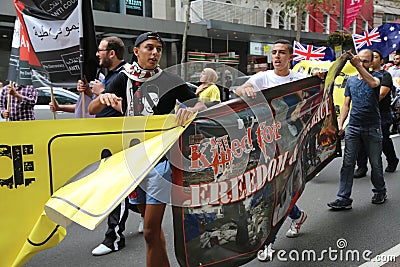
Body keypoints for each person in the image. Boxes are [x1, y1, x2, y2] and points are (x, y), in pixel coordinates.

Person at [88, 31, 206, 266]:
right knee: (152, 234)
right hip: (133, 161)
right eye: (149, 48)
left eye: (158, 49)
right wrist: (103, 99)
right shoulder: (124, 78)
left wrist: (191, 110)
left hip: (161, 161)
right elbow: (92, 109)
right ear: (136, 51)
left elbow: (200, 104)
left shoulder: (170, 80)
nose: (154, 53)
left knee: (151, 231)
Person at [235, 39, 307, 241]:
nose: (276, 56)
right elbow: (239, 90)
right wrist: (246, 90)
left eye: (282, 52)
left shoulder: (299, 78)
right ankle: (296, 216)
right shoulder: (262, 77)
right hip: (264, 141)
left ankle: (268, 240)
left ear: (290, 57)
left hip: (289, 140)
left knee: (276, 189)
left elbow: (315, 93)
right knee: (268, 189)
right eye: (274, 52)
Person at [327, 49, 387, 210]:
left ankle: (380, 191)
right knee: (347, 164)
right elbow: (346, 104)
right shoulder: (351, 81)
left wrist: (358, 66)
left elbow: (374, 84)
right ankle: (343, 197)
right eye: (359, 60)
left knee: (376, 163)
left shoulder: (378, 77)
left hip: (372, 127)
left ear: (372, 63)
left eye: (365, 61)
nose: (361, 63)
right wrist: (341, 124)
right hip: (353, 127)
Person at [354, 50, 399, 178]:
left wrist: (363, 101)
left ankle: (392, 159)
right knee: (361, 140)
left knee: (383, 139)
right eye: (370, 57)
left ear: (381, 61)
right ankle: (361, 166)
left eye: (375, 57)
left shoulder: (385, 76)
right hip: (364, 114)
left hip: (381, 114)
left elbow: (381, 94)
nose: (372, 59)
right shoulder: (360, 75)